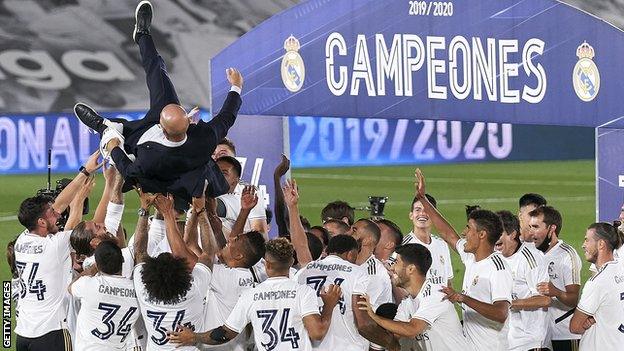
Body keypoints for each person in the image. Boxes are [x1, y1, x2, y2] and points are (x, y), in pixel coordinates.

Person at [74, 1, 243, 209]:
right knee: (158, 72)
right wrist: (236, 87)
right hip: (167, 133)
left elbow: (130, 171)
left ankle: (98, 125)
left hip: (141, 144)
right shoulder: (205, 137)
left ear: (162, 128)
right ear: (187, 121)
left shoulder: (151, 159)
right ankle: (143, 34)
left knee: (112, 130)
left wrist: (113, 148)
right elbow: (227, 117)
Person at [169, 238, 343, 349]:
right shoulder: (303, 292)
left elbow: (225, 333)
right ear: (291, 262)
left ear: (266, 265)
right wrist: (328, 306)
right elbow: (317, 332)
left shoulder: (251, 295)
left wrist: (194, 337)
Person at [413, 169, 512, 351]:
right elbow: (447, 234)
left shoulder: (498, 268)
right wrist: (423, 199)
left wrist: (463, 298)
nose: (464, 233)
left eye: (468, 228)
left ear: (482, 234)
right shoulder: (471, 257)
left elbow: (501, 313)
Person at [13, 151, 101, 351]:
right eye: (52, 214)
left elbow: (59, 205)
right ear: (42, 222)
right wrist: (79, 198)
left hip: (23, 335)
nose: (57, 215)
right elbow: (74, 225)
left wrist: (85, 172)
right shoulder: (54, 246)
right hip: (51, 334)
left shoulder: (21, 241)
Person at [133, 192, 215, 350]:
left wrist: (144, 210)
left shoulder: (143, 289)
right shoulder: (193, 289)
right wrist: (201, 212)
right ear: (183, 272)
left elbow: (139, 252)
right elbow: (208, 253)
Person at [295, 235, 399, 351]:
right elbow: (363, 324)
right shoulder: (357, 272)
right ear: (350, 254)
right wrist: (391, 343)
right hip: (347, 346)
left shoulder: (302, 272)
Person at [358, 244, 468, 350]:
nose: (391, 268)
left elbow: (412, 330)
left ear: (411, 269)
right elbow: (394, 337)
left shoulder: (436, 294)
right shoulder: (407, 302)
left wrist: (373, 316)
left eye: (396, 262)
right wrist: (364, 320)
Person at [68, 241, 140, 350]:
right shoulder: (137, 290)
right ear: (122, 261)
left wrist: (93, 268)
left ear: (98, 264)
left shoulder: (89, 285)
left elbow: (71, 287)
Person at [496, 210, 551, 350]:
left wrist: (510, 304)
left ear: (512, 234)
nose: (494, 237)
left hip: (530, 342)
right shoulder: (495, 257)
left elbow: (544, 300)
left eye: (498, 233)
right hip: (506, 340)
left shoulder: (531, 258)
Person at [531, 206, 582, 351]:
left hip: (564, 334)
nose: (531, 232)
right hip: (539, 335)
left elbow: (573, 299)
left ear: (551, 228)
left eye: (536, 227)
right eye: (530, 227)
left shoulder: (567, 255)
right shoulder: (532, 254)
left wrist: (556, 291)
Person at [570, 223, 624, 350]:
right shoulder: (621, 270)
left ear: (601, 244)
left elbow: (575, 326)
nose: (583, 245)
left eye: (587, 240)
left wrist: (589, 318)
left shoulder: (598, 282)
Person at [398, 193, 453, 286]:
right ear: (411, 215)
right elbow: (396, 281)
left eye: (427, 210)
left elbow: (448, 282)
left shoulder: (442, 244)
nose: (422, 214)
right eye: (417, 210)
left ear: (434, 216)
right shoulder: (403, 246)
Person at [215, 156, 268, 235]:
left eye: (224, 173)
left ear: (235, 181)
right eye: (214, 171)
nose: (216, 176)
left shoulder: (235, 200)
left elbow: (213, 206)